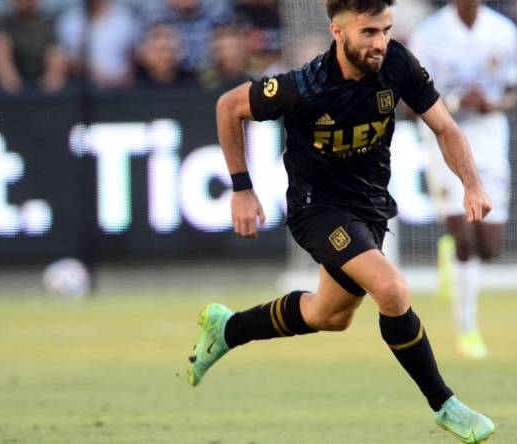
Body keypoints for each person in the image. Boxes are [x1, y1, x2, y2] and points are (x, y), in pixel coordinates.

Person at [186, 1, 495, 443]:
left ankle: (226, 328)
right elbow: (228, 106)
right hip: (318, 208)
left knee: (328, 315)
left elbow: (444, 127)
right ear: (338, 31)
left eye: (386, 30)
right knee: (391, 290)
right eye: (369, 32)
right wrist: (241, 188)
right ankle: (445, 405)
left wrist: (472, 184)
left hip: (369, 207)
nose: (380, 43)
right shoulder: (303, 87)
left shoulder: (398, 63)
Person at [409, 0, 517, 359]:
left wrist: (491, 104)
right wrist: (456, 103)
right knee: (466, 241)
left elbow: (513, 93)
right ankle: (468, 331)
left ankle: (452, 255)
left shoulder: (504, 31)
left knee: (488, 248)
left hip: (489, 137)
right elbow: (409, 102)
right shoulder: (429, 34)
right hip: (444, 135)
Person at [0, 0, 67, 95]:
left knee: (57, 57)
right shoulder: (4, 24)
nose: (28, 3)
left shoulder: (47, 27)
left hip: (41, 81)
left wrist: (52, 77)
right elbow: (2, 53)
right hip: (13, 83)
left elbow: (54, 55)